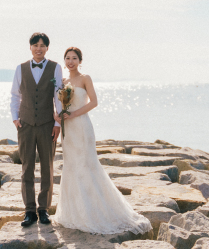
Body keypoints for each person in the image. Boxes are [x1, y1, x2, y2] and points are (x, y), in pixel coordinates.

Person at [52, 47, 152, 234]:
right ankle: (73, 213)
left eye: (74, 58)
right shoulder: (62, 81)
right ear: (64, 61)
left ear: (80, 61)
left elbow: (93, 102)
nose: (71, 61)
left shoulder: (85, 78)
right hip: (68, 131)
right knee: (71, 165)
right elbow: (56, 103)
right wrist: (57, 115)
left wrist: (73, 114)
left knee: (86, 165)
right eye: (67, 58)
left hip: (81, 126)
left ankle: (95, 212)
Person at [10, 32, 62, 227]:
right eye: (35, 45)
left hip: (48, 124)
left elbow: (59, 96)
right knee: (27, 168)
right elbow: (15, 95)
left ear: (47, 48)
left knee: (48, 168)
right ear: (30, 47)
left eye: (42, 45)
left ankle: (44, 209)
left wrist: (58, 124)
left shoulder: (55, 68)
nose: (39, 48)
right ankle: (29, 211)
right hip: (26, 125)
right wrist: (15, 119)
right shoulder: (20, 68)